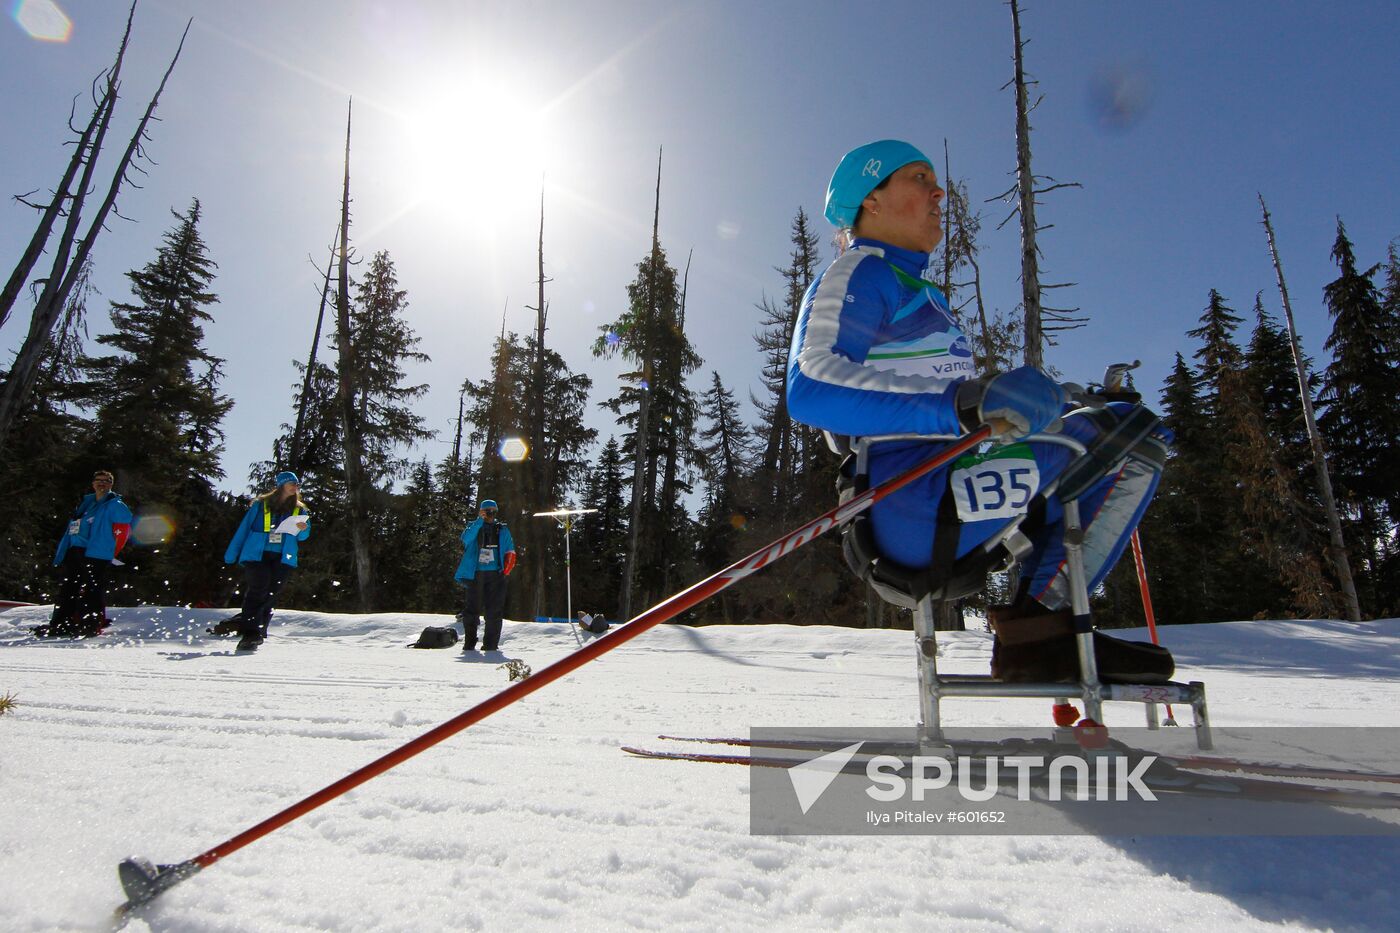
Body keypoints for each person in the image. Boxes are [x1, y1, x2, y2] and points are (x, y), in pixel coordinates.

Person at [786, 139, 1171, 683]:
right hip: (912, 498)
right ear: (871, 200)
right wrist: (963, 404)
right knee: (1127, 439)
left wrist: (1069, 403)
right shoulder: (861, 273)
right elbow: (812, 385)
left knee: (1117, 437)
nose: (938, 190)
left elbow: (972, 410)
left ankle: (1041, 638)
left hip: (949, 484)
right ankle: (1043, 633)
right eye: (918, 178)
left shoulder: (925, 294)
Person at [39, 469, 132, 638]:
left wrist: (112, 550)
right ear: (93, 483)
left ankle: (90, 625)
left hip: (96, 553)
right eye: (98, 480)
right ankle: (61, 624)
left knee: (92, 589)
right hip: (75, 549)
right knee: (68, 588)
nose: (101, 483)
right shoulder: (87, 502)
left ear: (111, 484)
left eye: (106, 481)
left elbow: (125, 524)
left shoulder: (114, 504)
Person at [223, 472, 310, 652]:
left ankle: (255, 627)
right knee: (259, 588)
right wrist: (232, 553)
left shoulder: (299, 509)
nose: (295, 487)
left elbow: (303, 536)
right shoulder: (261, 505)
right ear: (281, 485)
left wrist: (303, 529)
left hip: (283, 557)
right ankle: (250, 633)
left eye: (297, 484)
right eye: (291, 483)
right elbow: (244, 528)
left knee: (272, 592)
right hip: (256, 554)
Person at [454, 498, 516, 652]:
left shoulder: (502, 530)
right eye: (487, 511)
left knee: (494, 610)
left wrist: (506, 570)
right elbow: (466, 539)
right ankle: (469, 642)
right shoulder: (474, 526)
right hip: (476, 574)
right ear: (481, 511)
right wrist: (479, 521)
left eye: (493, 511)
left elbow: (510, 550)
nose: (491, 514)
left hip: (496, 574)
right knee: (471, 610)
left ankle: (491, 645)